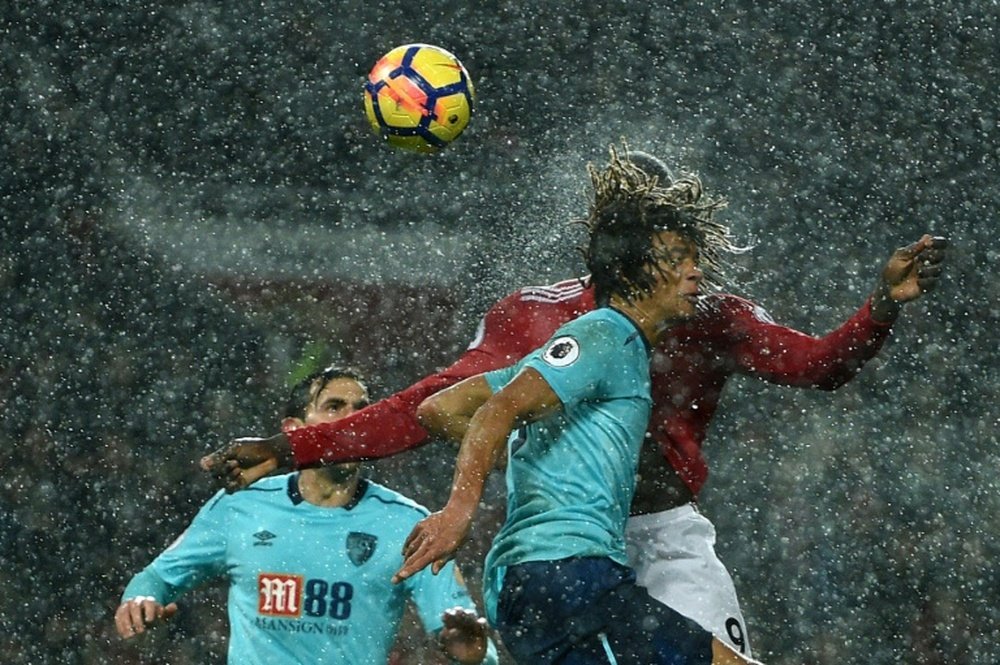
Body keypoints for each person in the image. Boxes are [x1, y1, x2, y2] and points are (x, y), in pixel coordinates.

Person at [201, 148, 948, 657]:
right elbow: (427, 405)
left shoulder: (708, 312)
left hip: (664, 536)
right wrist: (293, 448)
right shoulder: (534, 315)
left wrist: (880, 305)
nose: (684, 258)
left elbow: (816, 365)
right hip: (567, 551)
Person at [395, 150, 753, 664]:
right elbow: (496, 412)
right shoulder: (605, 335)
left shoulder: (594, 352)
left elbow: (441, 408)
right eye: (677, 258)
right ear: (634, 270)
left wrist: (529, 458)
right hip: (566, 575)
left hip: (544, 580)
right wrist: (459, 511)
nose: (695, 273)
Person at [116, 366, 499, 665]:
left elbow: (465, 636)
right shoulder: (241, 506)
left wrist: (476, 655)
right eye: (334, 407)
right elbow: (156, 578)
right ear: (293, 430)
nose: (353, 421)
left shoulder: (408, 523)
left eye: (364, 411)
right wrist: (141, 599)